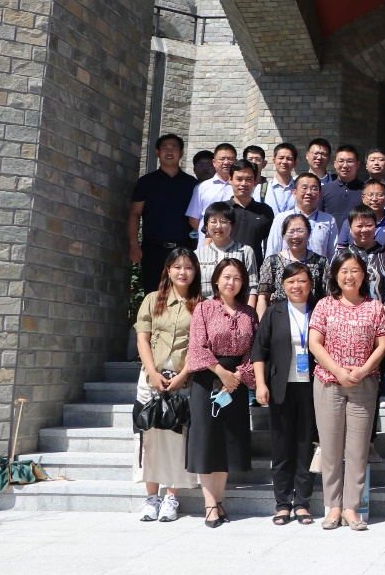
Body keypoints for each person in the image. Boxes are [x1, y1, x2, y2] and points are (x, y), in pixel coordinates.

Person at [309, 251, 385, 531]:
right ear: (335, 275)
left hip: (364, 383)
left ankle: (352, 507)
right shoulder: (324, 305)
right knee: (331, 446)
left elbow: (382, 344)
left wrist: (362, 370)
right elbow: (315, 343)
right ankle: (333, 506)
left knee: (357, 448)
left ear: (363, 274)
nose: (349, 276)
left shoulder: (374, 307)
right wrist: (338, 371)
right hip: (328, 382)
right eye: (344, 271)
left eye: (355, 270)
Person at [185, 258, 258, 527]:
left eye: (237, 278)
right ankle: (209, 504)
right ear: (216, 280)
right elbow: (197, 346)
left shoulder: (249, 313)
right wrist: (221, 373)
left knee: (227, 441)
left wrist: (238, 375)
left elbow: (255, 349)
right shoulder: (204, 308)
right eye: (227, 277)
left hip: (236, 383)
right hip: (208, 379)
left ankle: (219, 499)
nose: (231, 282)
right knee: (207, 440)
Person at [133, 247, 201, 523]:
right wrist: (152, 372)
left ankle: (171, 496)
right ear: (168, 270)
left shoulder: (200, 304)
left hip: (183, 379)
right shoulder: (152, 299)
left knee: (176, 438)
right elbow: (142, 338)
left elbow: (199, 345)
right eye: (177, 267)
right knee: (149, 436)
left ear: (195, 272)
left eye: (188, 267)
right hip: (151, 377)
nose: (183, 272)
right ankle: (152, 497)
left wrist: (182, 375)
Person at [252, 262, 319, 526]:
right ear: (283, 285)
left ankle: (302, 503)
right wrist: (261, 384)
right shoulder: (274, 312)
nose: (296, 286)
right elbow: (259, 351)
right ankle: (282, 504)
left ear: (310, 284)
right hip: (281, 388)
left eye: (302, 280)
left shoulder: (319, 310)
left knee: (305, 446)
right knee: (281, 448)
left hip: (312, 388)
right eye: (291, 281)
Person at [129, 133, 197, 298]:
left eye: (174, 148)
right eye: (165, 148)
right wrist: (134, 245)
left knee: (183, 296)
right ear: (157, 152)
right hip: (153, 249)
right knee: (154, 296)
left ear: (181, 153)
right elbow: (135, 214)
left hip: (184, 248)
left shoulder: (192, 184)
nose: (169, 151)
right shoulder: (146, 182)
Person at [256, 213, 329, 318]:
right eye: (291, 231)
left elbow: (327, 297)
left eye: (300, 231)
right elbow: (263, 297)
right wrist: (263, 324)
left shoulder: (321, 262)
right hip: (280, 320)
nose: (295, 236)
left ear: (309, 233)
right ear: (283, 234)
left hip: (312, 319)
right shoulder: (272, 262)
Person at [195, 202, 258, 299]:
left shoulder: (245, 251)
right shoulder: (197, 255)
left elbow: (252, 288)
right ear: (206, 226)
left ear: (232, 225)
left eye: (223, 221)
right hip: (205, 306)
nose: (218, 226)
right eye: (213, 221)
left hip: (237, 306)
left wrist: (249, 308)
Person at [266, 173, 338, 257]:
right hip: (287, 265)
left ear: (319, 194)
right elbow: (272, 252)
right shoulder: (281, 219)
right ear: (294, 193)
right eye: (304, 188)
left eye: (314, 189)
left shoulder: (328, 220)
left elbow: (333, 255)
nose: (309, 192)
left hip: (318, 265)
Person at [338, 178, 385, 261]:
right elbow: (341, 250)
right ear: (363, 198)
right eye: (370, 195)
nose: (375, 199)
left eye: (379, 195)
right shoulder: (350, 222)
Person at [339, 206, 385, 299]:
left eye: (369, 225)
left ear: (375, 227)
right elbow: (332, 287)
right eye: (359, 226)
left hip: (383, 307)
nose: (364, 230)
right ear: (350, 228)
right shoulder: (342, 255)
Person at [225, 161, 275, 264]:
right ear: (230, 179)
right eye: (239, 179)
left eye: (248, 179)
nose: (243, 184)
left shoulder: (265, 211)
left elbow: (270, 245)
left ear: (255, 181)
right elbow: (210, 240)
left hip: (256, 269)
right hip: (226, 268)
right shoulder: (221, 209)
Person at [186, 143, 237, 232]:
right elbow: (193, 219)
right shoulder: (201, 187)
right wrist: (208, 235)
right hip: (207, 239)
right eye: (222, 159)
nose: (226, 162)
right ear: (214, 162)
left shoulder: (241, 187)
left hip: (234, 239)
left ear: (236, 161)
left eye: (230, 159)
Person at [320, 145, 366, 228]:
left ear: (358, 164)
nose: (345, 165)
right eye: (341, 161)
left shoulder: (365, 189)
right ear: (335, 164)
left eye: (350, 161)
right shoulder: (324, 190)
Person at [264, 143, 299, 216]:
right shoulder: (262, 189)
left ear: (295, 163)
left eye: (289, 159)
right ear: (274, 161)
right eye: (281, 158)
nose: (284, 162)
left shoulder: (300, 189)